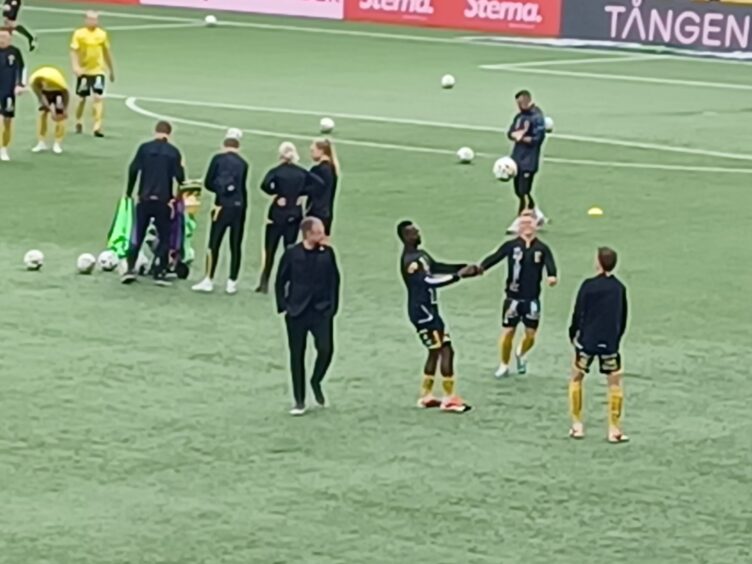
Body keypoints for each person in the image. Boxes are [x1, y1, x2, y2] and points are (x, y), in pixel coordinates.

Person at [398, 220, 477, 413]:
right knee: (446, 350)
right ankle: (449, 398)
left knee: (434, 351)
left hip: (429, 311)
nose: (418, 234)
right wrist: (459, 276)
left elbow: (437, 267)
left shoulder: (421, 256)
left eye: (417, 230)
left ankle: (426, 395)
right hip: (423, 314)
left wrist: (463, 267)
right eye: (412, 233)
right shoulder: (411, 262)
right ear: (404, 238)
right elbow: (428, 281)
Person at [479, 211, 557, 378]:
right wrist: (481, 268)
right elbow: (495, 257)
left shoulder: (542, 248)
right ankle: (504, 364)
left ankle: (521, 352)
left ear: (536, 225)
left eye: (530, 223)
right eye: (523, 223)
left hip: (532, 299)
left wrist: (552, 276)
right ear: (518, 226)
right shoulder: (511, 246)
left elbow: (550, 264)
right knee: (508, 331)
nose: (527, 226)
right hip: (512, 298)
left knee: (530, 334)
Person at [275, 217, 340, 416]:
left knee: (326, 349)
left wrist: (332, 308)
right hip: (297, 311)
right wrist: (283, 306)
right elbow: (280, 280)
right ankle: (299, 400)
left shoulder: (328, 254)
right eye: (319, 232)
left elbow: (334, 281)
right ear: (308, 234)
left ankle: (316, 380)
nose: (324, 235)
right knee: (297, 356)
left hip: (321, 311)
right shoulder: (292, 254)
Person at [568, 247, 629, 443]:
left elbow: (578, 312)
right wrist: (616, 339)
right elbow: (623, 317)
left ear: (599, 263)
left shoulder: (588, 285)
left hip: (587, 340)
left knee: (577, 378)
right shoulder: (619, 288)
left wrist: (573, 333)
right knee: (614, 383)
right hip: (610, 343)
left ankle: (577, 425)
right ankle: (614, 429)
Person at [122, 120, 185, 286]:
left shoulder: (144, 148)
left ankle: (129, 269)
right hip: (163, 201)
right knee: (165, 236)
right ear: (169, 133)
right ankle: (159, 270)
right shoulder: (173, 152)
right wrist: (177, 200)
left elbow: (133, 169)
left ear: (155, 131)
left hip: (144, 198)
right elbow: (180, 178)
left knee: (137, 234)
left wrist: (129, 192)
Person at [255, 141, 323, 293]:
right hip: (295, 213)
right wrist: (302, 193)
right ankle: (288, 283)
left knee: (270, 249)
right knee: (290, 248)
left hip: (277, 214)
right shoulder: (302, 172)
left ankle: (264, 282)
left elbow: (264, 185)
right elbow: (319, 184)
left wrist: (276, 193)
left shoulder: (276, 171)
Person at [192, 130, 250, 295]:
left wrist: (219, 190)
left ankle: (209, 279)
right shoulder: (243, 163)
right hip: (239, 206)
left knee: (214, 243)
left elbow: (209, 182)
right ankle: (232, 281)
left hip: (221, 206)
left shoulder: (217, 159)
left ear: (224, 144)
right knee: (235, 244)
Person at [506, 89, 548, 233]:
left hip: (529, 161)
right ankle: (536, 213)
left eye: (520, 103)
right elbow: (510, 132)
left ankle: (520, 222)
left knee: (524, 191)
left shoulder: (537, 117)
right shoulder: (519, 117)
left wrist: (522, 138)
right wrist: (514, 135)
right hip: (517, 159)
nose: (518, 106)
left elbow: (538, 138)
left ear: (527, 100)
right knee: (519, 191)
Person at [70, 11, 114, 137]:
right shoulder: (79, 34)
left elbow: (106, 52)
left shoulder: (102, 34)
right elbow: (73, 51)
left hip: (98, 71)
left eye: (95, 19)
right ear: (86, 20)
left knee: (98, 97)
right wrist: (75, 67)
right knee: (82, 98)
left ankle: (97, 126)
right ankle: (78, 121)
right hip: (84, 71)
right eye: (90, 19)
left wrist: (111, 70)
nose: (93, 22)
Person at [29, 66, 70, 154]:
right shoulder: (34, 82)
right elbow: (41, 96)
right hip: (45, 93)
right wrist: (51, 110)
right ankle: (41, 142)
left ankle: (57, 143)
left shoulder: (58, 82)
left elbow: (66, 93)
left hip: (58, 93)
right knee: (42, 114)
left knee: (60, 117)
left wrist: (65, 108)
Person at [307, 138, 339, 236]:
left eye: (313, 151)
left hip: (315, 213)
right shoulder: (333, 169)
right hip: (327, 214)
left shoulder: (317, 170)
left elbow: (307, 189)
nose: (311, 154)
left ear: (321, 151)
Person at [0, 29, 24, 162]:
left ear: (10, 39)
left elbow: (21, 68)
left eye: (5, 37)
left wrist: (20, 84)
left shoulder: (15, 52)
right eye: (0, 37)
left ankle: (4, 148)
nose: (2, 40)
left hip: (8, 92)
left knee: (7, 121)